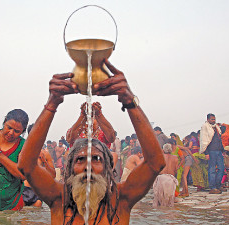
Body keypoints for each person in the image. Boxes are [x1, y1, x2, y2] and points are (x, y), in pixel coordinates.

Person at [18, 59, 166, 224]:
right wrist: (52, 102)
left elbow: (155, 163)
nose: (88, 167)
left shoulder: (121, 199)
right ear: (70, 168)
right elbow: (26, 166)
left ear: (107, 168)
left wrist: (129, 101)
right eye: (80, 160)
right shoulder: (59, 198)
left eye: (96, 159)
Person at [23, 123, 56, 207]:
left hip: (37, 191)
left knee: (37, 208)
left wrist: (44, 161)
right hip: (22, 189)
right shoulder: (22, 150)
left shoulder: (45, 153)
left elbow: (53, 175)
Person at [200, 113, 226, 194]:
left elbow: (221, 134)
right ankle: (213, 187)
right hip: (211, 151)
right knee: (212, 169)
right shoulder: (205, 127)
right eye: (212, 119)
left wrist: (222, 150)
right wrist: (206, 153)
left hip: (219, 151)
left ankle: (218, 185)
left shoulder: (216, 127)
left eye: (214, 119)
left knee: (221, 168)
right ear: (208, 119)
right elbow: (204, 140)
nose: (213, 120)